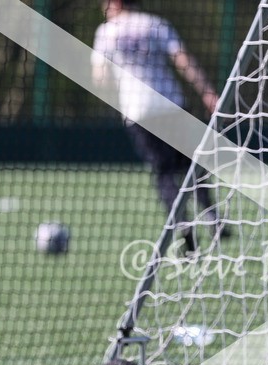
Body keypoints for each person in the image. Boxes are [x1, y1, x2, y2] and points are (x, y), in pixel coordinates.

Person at [91, 0, 224, 251]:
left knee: (163, 172)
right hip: (172, 105)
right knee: (192, 165)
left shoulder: (107, 32)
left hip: (139, 111)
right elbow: (183, 62)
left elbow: (100, 78)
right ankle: (211, 214)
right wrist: (207, 92)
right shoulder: (155, 24)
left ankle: (183, 224)